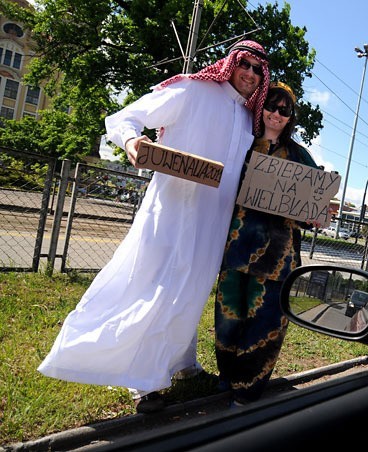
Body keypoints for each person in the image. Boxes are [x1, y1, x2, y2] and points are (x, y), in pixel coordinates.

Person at [37, 40, 271, 414]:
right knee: (154, 288)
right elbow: (123, 118)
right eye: (245, 65)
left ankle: (181, 365)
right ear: (230, 63)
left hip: (213, 222)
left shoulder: (247, 118)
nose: (251, 74)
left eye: (259, 70)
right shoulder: (193, 90)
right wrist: (132, 141)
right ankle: (141, 382)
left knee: (191, 292)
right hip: (172, 212)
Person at [213, 81, 320, 406]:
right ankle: (227, 379)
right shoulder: (241, 146)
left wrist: (316, 214)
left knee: (265, 328)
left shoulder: (301, 156)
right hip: (235, 252)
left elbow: (310, 210)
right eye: (271, 106)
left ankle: (248, 391)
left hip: (277, 260)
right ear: (262, 109)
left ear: (290, 118)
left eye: (284, 110)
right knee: (228, 323)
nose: (276, 113)